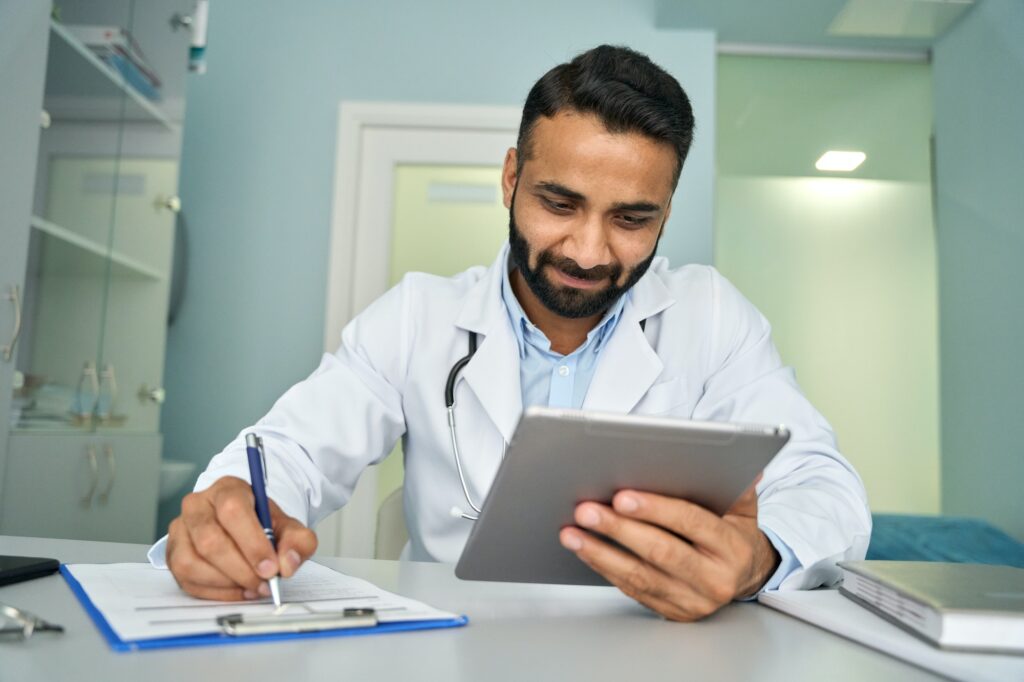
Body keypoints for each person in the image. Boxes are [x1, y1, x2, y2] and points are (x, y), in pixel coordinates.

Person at [153, 45, 870, 621]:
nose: (589, 252)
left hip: (648, 654)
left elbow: (825, 487)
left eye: (631, 218)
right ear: (510, 179)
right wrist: (227, 522)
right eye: (560, 202)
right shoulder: (418, 317)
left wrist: (757, 557)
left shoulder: (710, 316)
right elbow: (289, 453)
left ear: (667, 212)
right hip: (451, 650)